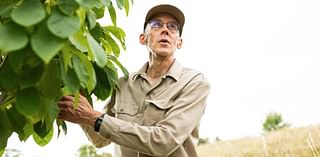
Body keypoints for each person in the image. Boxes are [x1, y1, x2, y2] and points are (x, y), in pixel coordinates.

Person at [58, 4, 210, 157]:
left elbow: (164, 141)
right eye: (157, 25)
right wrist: (74, 90)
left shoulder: (194, 83)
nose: (165, 30)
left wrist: (93, 117)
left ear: (179, 42)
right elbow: (100, 138)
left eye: (173, 27)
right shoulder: (122, 84)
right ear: (143, 38)